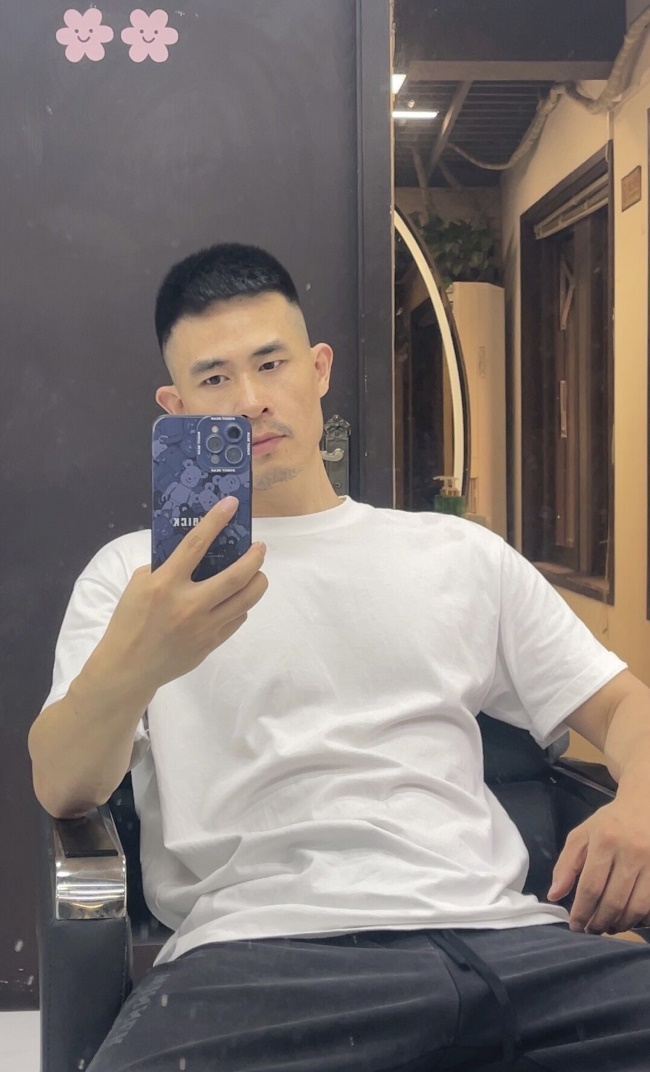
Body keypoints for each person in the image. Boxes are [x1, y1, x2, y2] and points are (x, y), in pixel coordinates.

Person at [29, 244, 650, 1071]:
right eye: (214, 379)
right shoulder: (135, 578)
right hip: (260, 960)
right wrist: (140, 661)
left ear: (318, 369)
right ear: (176, 409)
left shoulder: (457, 555)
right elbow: (61, 784)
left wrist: (641, 804)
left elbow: (625, 706)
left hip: (506, 945)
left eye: (271, 364)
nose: (250, 400)